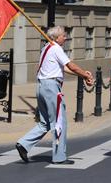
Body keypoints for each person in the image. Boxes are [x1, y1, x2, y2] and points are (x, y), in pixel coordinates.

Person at [16, 26, 94, 165]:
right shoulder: (57, 48)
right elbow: (71, 65)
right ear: (57, 37)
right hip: (51, 87)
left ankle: (23, 144)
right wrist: (84, 74)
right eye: (64, 35)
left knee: (45, 123)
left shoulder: (46, 47)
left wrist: (82, 75)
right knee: (59, 122)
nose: (66, 37)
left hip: (41, 86)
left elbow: (63, 68)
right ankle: (59, 157)